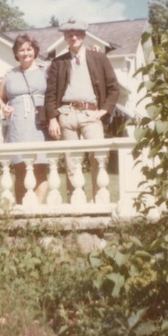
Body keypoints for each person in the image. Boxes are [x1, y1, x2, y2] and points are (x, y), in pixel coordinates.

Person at [45, 18, 119, 200]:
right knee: (72, 160)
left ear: (84, 35)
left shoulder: (99, 58)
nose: (73, 36)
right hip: (67, 114)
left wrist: (103, 111)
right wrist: (53, 118)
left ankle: (99, 200)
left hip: (91, 114)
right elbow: (51, 94)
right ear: (65, 37)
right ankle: (75, 201)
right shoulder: (58, 62)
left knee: (99, 157)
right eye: (69, 34)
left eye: (77, 33)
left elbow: (114, 88)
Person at [0, 34, 49, 204]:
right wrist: (3, 107)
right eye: (21, 50)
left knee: (40, 167)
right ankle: (22, 208)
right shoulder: (10, 74)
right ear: (16, 54)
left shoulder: (45, 71)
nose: (26, 53)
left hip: (38, 124)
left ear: (34, 50)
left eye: (29, 49)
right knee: (20, 168)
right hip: (18, 124)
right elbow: (0, 98)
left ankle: (38, 208)